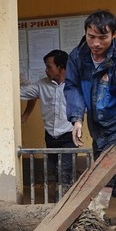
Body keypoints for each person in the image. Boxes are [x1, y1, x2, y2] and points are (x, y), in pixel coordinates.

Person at [64, 9, 116, 222]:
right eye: (91, 37)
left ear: (114, 34)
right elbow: (72, 87)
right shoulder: (77, 57)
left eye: (103, 37)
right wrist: (77, 119)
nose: (96, 43)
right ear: (85, 33)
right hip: (96, 125)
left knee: (103, 170)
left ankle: (96, 215)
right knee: (106, 169)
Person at [20, 49, 75, 188]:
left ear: (61, 67)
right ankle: (62, 200)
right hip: (50, 135)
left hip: (69, 134)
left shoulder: (74, 85)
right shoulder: (41, 85)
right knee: (55, 170)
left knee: (65, 171)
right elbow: (20, 93)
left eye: (49, 66)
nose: (46, 70)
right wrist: (17, 78)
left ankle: (63, 203)